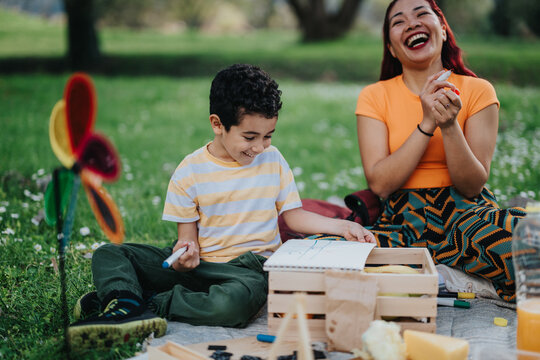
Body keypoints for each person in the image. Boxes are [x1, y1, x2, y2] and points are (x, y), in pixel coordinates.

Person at [68, 63, 375, 350]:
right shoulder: (189, 172)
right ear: (218, 124)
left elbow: (293, 216)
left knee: (233, 306)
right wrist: (183, 256)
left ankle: (144, 303)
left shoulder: (273, 161)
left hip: (248, 271)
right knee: (110, 252)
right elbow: (186, 239)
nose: (259, 147)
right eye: (250, 137)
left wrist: (341, 225)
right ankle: (124, 302)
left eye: (268, 136)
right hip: (200, 265)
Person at [355, 0, 526, 302]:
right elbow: (380, 184)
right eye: (398, 21)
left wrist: (449, 126)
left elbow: (472, 185)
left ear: (443, 30)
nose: (411, 23)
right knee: (325, 256)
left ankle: (449, 273)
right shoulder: (374, 96)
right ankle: (456, 275)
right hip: (401, 220)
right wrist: (427, 123)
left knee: (528, 246)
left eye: (422, 13)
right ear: (392, 48)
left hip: (466, 215)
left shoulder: (478, 90)